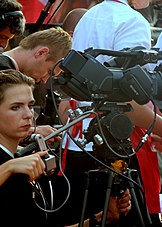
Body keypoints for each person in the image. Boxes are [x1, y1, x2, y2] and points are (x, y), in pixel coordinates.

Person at [56, 0, 162, 226]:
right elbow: (129, 98)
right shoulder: (133, 20)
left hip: (81, 141)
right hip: (113, 143)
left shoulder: (90, 15)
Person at [0, 26, 72, 143]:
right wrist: (33, 131)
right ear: (41, 53)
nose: (45, 80)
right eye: (49, 71)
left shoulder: (2, 66)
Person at [0, 69, 49, 226]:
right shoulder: (0, 163)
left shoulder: (16, 158)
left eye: (30, 105)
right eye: (16, 107)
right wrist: (8, 167)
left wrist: (102, 217)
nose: (29, 115)